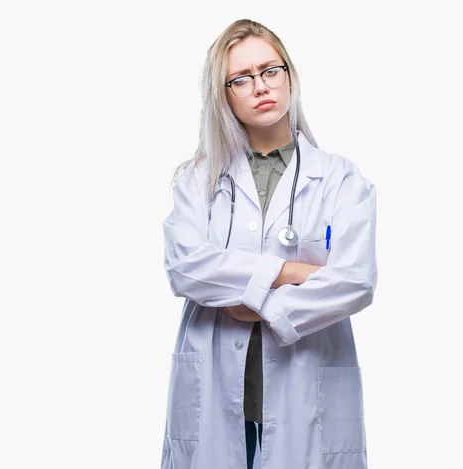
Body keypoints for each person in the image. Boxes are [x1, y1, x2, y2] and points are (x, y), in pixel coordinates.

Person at [160, 18, 378, 469]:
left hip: (307, 385)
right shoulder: (197, 179)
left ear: (289, 75)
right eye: (241, 78)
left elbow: (355, 281)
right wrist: (292, 273)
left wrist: (259, 305)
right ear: (224, 95)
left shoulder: (340, 179)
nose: (260, 86)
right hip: (216, 385)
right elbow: (185, 268)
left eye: (269, 70)